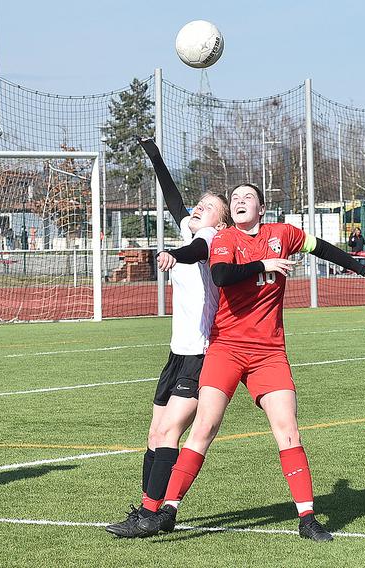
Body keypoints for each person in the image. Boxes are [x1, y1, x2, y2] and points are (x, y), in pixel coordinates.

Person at [134, 183, 365, 542]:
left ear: (262, 208)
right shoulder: (225, 238)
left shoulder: (283, 234)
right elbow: (221, 275)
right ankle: (168, 510)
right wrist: (264, 263)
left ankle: (307, 519)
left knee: (287, 428)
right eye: (236, 198)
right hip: (226, 348)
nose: (240, 201)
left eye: (248, 198)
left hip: (269, 353)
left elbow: (323, 248)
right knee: (205, 428)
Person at [105, 139, 233, 537]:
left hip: (200, 354)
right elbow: (174, 198)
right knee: (153, 434)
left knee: (167, 432)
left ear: (222, 221)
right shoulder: (190, 225)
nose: (199, 208)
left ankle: (149, 516)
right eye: (200, 203)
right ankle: (145, 509)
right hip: (176, 353)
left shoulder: (213, 240)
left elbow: (195, 250)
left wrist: (175, 254)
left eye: (209, 206)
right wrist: (156, 157)